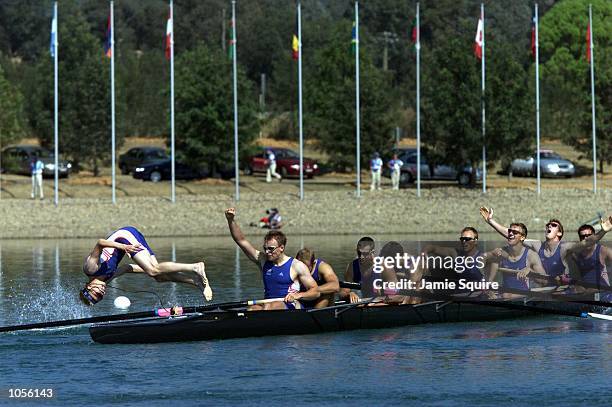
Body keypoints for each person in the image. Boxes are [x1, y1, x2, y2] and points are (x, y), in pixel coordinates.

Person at [80, 226, 213, 305]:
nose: (102, 293)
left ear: (89, 286)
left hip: (125, 237)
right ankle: (195, 282)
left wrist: (124, 247)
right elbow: (127, 268)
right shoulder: (106, 279)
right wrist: (151, 272)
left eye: (97, 293)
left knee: (153, 270)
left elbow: (100, 243)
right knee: (158, 276)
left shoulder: (90, 269)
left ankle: (195, 267)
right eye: (101, 296)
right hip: (130, 242)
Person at [225, 207, 319, 310]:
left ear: (281, 248)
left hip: (290, 305)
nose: (267, 252)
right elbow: (241, 240)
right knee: (252, 309)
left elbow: (315, 292)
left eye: (271, 249)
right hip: (268, 305)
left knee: (270, 307)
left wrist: (298, 295)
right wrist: (230, 220)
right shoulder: (263, 260)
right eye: (265, 248)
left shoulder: (297, 266)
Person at [480, 207, 612, 280]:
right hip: (545, 288)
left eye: (553, 225)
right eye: (548, 225)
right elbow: (512, 235)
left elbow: (587, 242)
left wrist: (603, 231)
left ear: (559, 233)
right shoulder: (538, 245)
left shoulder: (565, 247)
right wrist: (490, 221)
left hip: (563, 290)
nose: (549, 226)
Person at [487, 222, 547, 297]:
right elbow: (489, 280)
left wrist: (530, 271)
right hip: (505, 296)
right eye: (509, 231)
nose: (510, 234)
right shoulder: (500, 253)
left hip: (523, 297)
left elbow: (544, 281)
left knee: (506, 295)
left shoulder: (531, 255)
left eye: (515, 232)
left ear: (522, 237)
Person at [339, 237, 400, 303]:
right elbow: (343, 292)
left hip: (381, 304)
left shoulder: (385, 266)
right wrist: (349, 294)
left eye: (365, 254)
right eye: (359, 253)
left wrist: (382, 291)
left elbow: (396, 295)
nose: (361, 257)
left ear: (372, 252)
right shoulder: (352, 267)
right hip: (360, 304)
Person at [570, 224, 612, 301]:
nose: (586, 238)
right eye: (583, 236)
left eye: (589, 235)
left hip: (604, 293)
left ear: (595, 237)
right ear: (579, 239)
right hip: (586, 294)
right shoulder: (575, 254)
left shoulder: (603, 251)